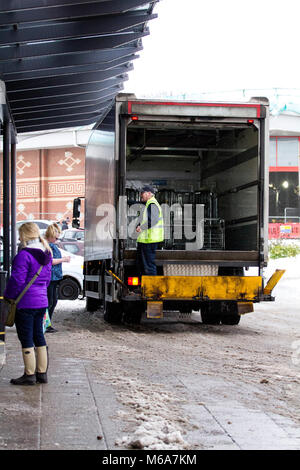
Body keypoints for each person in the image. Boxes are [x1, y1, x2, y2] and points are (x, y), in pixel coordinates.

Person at [4, 222, 52, 385]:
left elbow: (17, 280)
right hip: (41, 301)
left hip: (25, 303)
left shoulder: (24, 255)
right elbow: (47, 280)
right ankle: (42, 374)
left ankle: (29, 375)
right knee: (38, 334)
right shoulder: (47, 253)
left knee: (26, 337)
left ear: (24, 236)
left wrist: (8, 296)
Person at [45, 223, 70, 332]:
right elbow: (50, 261)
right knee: (50, 301)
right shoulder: (48, 246)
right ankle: (46, 324)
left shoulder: (51, 245)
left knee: (53, 301)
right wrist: (63, 259)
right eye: (56, 237)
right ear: (50, 235)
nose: (57, 239)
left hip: (54, 277)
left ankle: (47, 323)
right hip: (50, 277)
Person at [136, 185, 164, 276]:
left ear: (149, 193)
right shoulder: (149, 204)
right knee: (145, 266)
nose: (141, 195)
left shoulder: (152, 204)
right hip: (147, 240)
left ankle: (150, 289)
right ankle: (145, 288)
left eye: (142, 193)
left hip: (149, 240)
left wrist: (142, 227)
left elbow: (154, 220)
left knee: (148, 266)